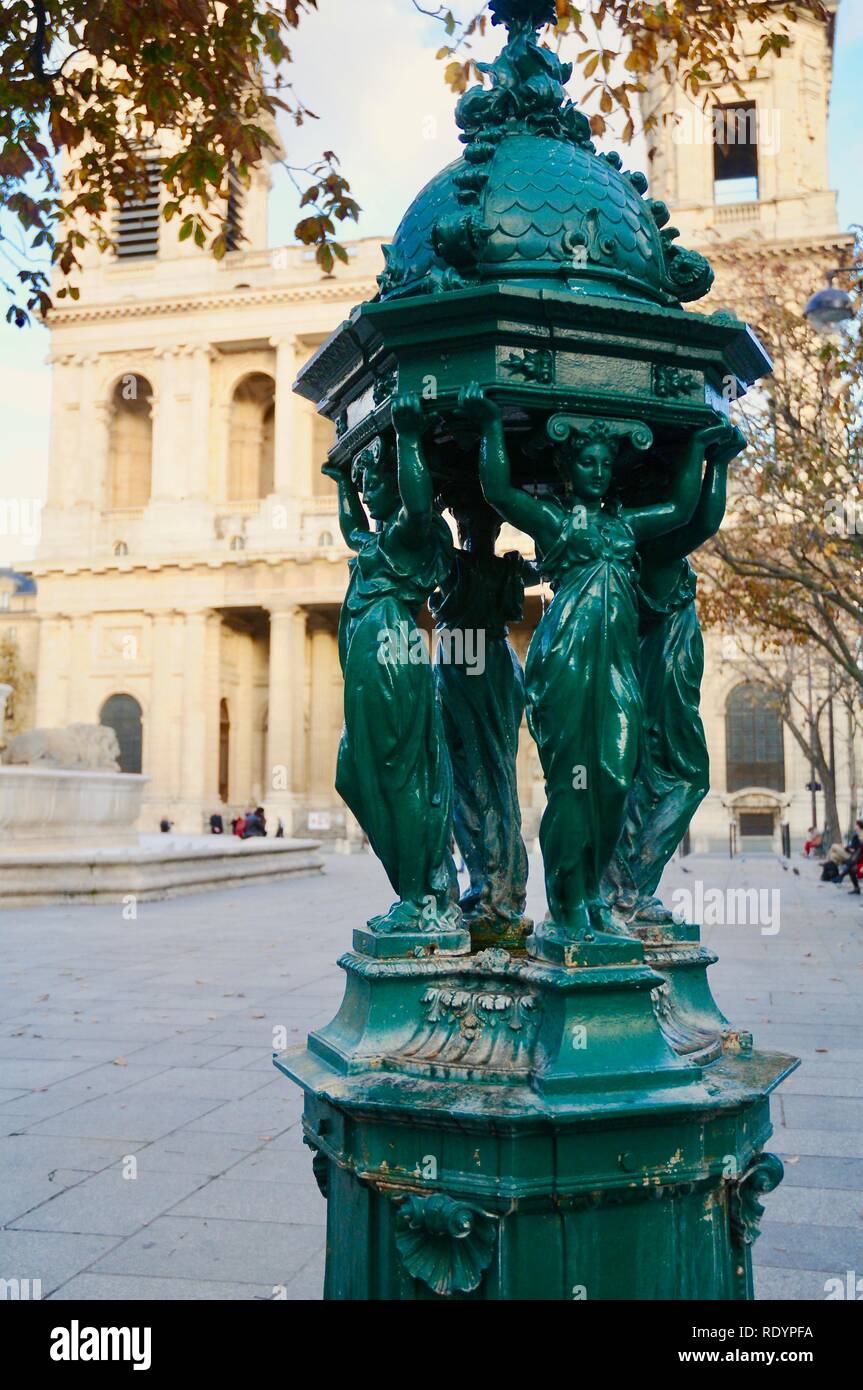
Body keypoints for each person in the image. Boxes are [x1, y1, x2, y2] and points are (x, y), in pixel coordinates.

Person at [465, 379, 731, 944]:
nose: (596, 470)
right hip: (566, 664)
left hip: (615, 672)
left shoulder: (624, 529)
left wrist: (712, 457)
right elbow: (499, 491)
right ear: (569, 466)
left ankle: (593, 891)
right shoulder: (557, 523)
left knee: (613, 778)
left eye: (603, 462)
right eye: (585, 460)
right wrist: (489, 424)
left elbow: (690, 512)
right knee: (571, 785)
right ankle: (567, 903)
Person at [323, 398, 460, 938]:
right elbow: (350, 528)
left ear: (394, 483)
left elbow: (420, 507)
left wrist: (406, 438)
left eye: (369, 480)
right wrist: (339, 481)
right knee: (353, 774)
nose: (363, 489)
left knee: (397, 774)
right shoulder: (377, 542)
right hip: (368, 655)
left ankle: (419, 893)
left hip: (387, 654)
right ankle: (413, 885)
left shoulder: (407, 535)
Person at [602, 433, 743, 926]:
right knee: (684, 775)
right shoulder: (652, 540)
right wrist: (713, 459)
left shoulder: (623, 539)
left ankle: (621, 886)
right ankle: (629, 888)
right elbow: (702, 514)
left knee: (641, 774)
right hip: (665, 676)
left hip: (646, 674)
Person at [430, 497, 536, 948]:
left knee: (487, 774)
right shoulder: (450, 564)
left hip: (478, 662)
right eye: (467, 521)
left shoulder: (489, 568)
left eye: (484, 523)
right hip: (470, 663)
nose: (477, 532)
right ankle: (491, 885)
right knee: (470, 778)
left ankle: (497, 889)